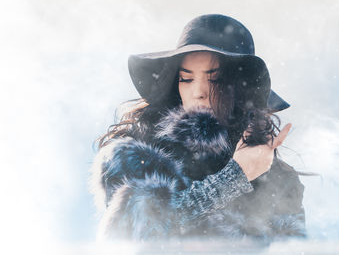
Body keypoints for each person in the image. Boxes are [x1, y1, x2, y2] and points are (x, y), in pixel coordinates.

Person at [90, 14, 306, 243]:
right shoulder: (136, 156)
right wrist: (235, 177)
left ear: (240, 88)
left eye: (214, 80)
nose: (198, 92)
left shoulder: (278, 178)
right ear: (175, 85)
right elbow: (139, 238)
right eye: (186, 79)